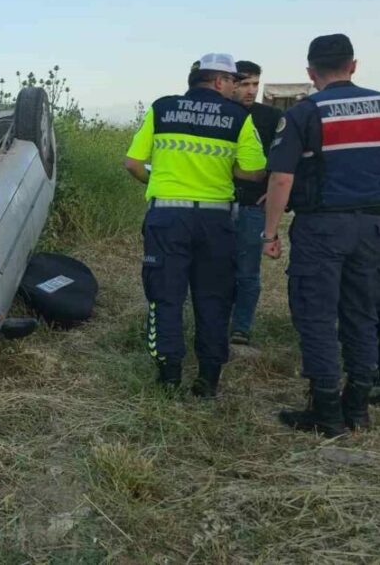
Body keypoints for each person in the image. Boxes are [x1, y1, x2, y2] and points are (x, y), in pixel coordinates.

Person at [125, 53, 266, 397]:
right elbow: (255, 171)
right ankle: (208, 378)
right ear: (219, 82)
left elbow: (133, 163)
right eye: (234, 81)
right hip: (216, 220)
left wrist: (159, 183)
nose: (236, 87)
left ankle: (169, 373)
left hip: (167, 218)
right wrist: (225, 170)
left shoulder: (162, 109)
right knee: (214, 298)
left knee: (165, 294)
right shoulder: (238, 118)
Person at [262, 33, 380, 436]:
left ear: (311, 72)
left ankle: (326, 413)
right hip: (372, 228)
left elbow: (281, 179)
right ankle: (359, 408)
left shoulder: (305, 113)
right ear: (354, 65)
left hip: (321, 228)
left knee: (316, 316)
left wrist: (270, 233)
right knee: (363, 314)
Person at [227, 61, 282, 352]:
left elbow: (285, 159)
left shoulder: (271, 116)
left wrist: (273, 194)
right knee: (218, 268)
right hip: (219, 204)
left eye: (255, 84)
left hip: (253, 205)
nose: (250, 90)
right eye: (244, 83)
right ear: (231, 83)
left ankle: (241, 328)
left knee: (248, 271)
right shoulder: (222, 114)